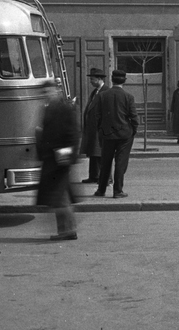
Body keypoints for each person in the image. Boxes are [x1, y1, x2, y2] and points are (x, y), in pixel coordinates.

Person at [35, 91, 82, 241]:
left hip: (60, 159)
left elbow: (73, 134)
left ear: (56, 92)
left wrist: (69, 155)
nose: (47, 94)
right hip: (52, 159)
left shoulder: (65, 109)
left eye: (49, 91)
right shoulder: (48, 108)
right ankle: (66, 230)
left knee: (59, 197)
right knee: (60, 197)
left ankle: (68, 230)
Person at [92, 69, 138, 199]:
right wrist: (133, 130)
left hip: (107, 134)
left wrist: (101, 130)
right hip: (124, 134)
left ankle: (101, 190)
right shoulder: (128, 97)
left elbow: (97, 115)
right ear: (124, 81)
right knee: (120, 162)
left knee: (105, 162)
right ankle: (118, 190)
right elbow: (134, 117)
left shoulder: (102, 95)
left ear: (112, 80)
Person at [80, 67, 106, 183]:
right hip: (93, 128)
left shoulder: (105, 91)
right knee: (93, 153)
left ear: (99, 79)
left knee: (100, 154)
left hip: (99, 129)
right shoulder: (95, 92)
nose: (90, 81)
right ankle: (94, 176)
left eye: (92, 79)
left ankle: (104, 177)